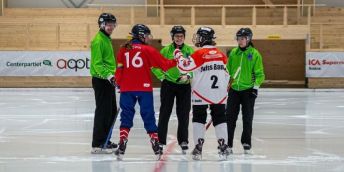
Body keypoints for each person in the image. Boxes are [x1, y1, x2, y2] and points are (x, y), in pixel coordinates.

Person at [114, 24, 178, 160]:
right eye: (147, 35)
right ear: (141, 35)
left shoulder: (123, 49)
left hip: (127, 88)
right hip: (144, 88)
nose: (149, 38)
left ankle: (123, 140)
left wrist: (119, 84)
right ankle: (155, 141)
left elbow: (119, 69)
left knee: (126, 115)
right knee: (148, 115)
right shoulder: (148, 50)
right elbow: (164, 65)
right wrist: (177, 60)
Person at [174, 26, 230, 160]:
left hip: (201, 93)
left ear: (205, 39)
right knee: (220, 118)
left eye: (199, 37)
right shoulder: (221, 55)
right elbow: (227, 74)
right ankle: (223, 146)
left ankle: (198, 147)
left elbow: (184, 66)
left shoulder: (199, 54)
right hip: (218, 94)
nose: (197, 39)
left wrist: (178, 55)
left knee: (199, 118)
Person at [151, 25, 194, 153]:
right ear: (172, 37)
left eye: (181, 36)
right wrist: (162, 77)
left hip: (184, 86)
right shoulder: (165, 51)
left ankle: (183, 140)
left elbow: (194, 67)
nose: (179, 38)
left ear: (184, 37)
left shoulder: (189, 51)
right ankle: (160, 140)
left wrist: (188, 75)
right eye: (176, 36)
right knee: (165, 113)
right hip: (168, 85)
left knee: (184, 114)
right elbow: (154, 65)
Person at [225, 28, 265, 154]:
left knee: (247, 118)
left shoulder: (255, 54)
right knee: (230, 118)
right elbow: (228, 71)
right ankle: (228, 143)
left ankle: (246, 142)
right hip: (234, 91)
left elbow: (260, 74)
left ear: (248, 39)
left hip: (248, 91)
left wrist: (255, 88)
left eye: (243, 38)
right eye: (239, 38)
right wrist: (225, 85)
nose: (240, 41)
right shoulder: (233, 53)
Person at [90, 13, 118, 154]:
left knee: (112, 111)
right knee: (103, 111)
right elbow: (97, 64)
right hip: (101, 80)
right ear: (101, 24)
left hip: (108, 80)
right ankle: (98, 143)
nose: (111, 27)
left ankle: (106, 139)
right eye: (108, 24)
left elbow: (108, 62)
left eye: (113, 24)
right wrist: (110, 76)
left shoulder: (106, 38)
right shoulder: (98, 40)